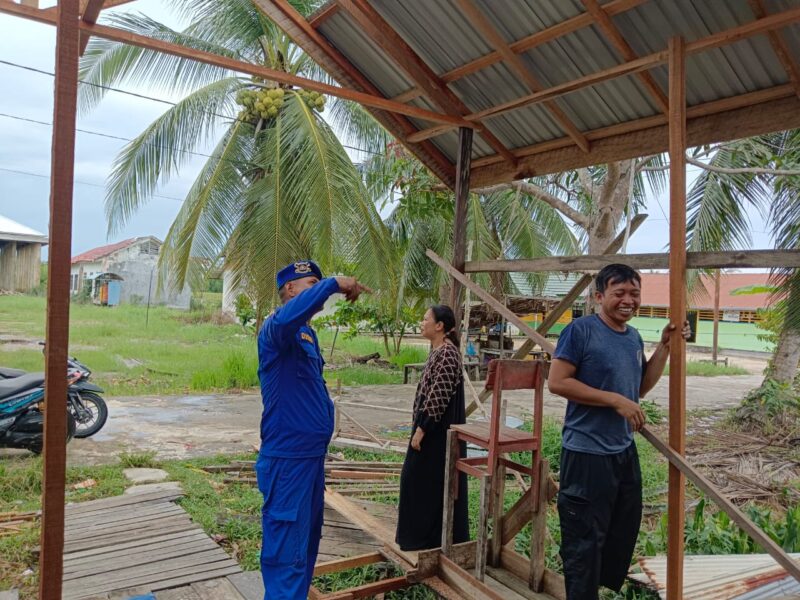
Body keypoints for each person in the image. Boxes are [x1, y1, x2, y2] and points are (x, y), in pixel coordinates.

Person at [547, 264, 690, 600]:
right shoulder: (581, 331)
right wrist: (613, 400)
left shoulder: (633, 337)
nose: (628, 300)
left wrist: (664, 347)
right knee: (584, 540)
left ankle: (593, 591)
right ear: (599, 296)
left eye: (634, 293)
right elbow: (557, 382)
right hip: (586, 453)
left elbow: (638, 388)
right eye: (619, 292)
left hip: (621, 451)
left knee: (619, 532)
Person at [256, 260, 370, 599]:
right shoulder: (276, 330)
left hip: (310, 459)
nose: (317, 293)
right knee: (286, 554)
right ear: (290, 290)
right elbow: (294, 313)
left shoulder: (307, 334)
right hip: (288, 460)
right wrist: (334, 282)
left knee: (305, 546)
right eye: (310, 284)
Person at [396, 305, 469, 551]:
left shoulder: (448, 353)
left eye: (425, 319)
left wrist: (421, 430)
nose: (421, 322)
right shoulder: (438, 350)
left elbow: (439, 397)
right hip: (430, 428)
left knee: (416, 480)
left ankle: (426, 541)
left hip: (437, 432)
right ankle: (425, 540)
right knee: (423, 483)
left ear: (439, 326)